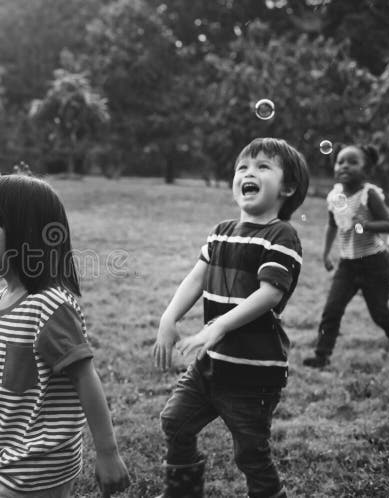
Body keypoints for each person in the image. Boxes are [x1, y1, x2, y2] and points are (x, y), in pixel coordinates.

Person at [0, 175, 130, 497]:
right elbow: (4, 382)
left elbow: (85, 379)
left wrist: (107, 453)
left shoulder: (49, 307)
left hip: (39, 459)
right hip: (12, 453)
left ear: (25, 234)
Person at [152, 137, 309, 498]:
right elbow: (196, 277)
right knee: (175, 421)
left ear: (287, 187)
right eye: (243, 167)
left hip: (252, 373)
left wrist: (219, 325)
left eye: (262, 167)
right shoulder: (221, 231)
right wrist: (168, 318)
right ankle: (184, 491)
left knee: (250, 454)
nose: (248, 172)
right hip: (210, 366)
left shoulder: (281, 235)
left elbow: (270, 293)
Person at [303, 143, 389, 368]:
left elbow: (388, 224)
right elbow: (332, 226)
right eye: (340, 161)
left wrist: (367, 224)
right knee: (332, 309)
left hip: (375, 264)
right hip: (347, 265)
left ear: (366, 168)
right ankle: (322, 355)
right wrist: (325, 253)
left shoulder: (368, 194)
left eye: (353, 162)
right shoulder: (334, 197)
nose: (345, 166)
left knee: (379, 313)